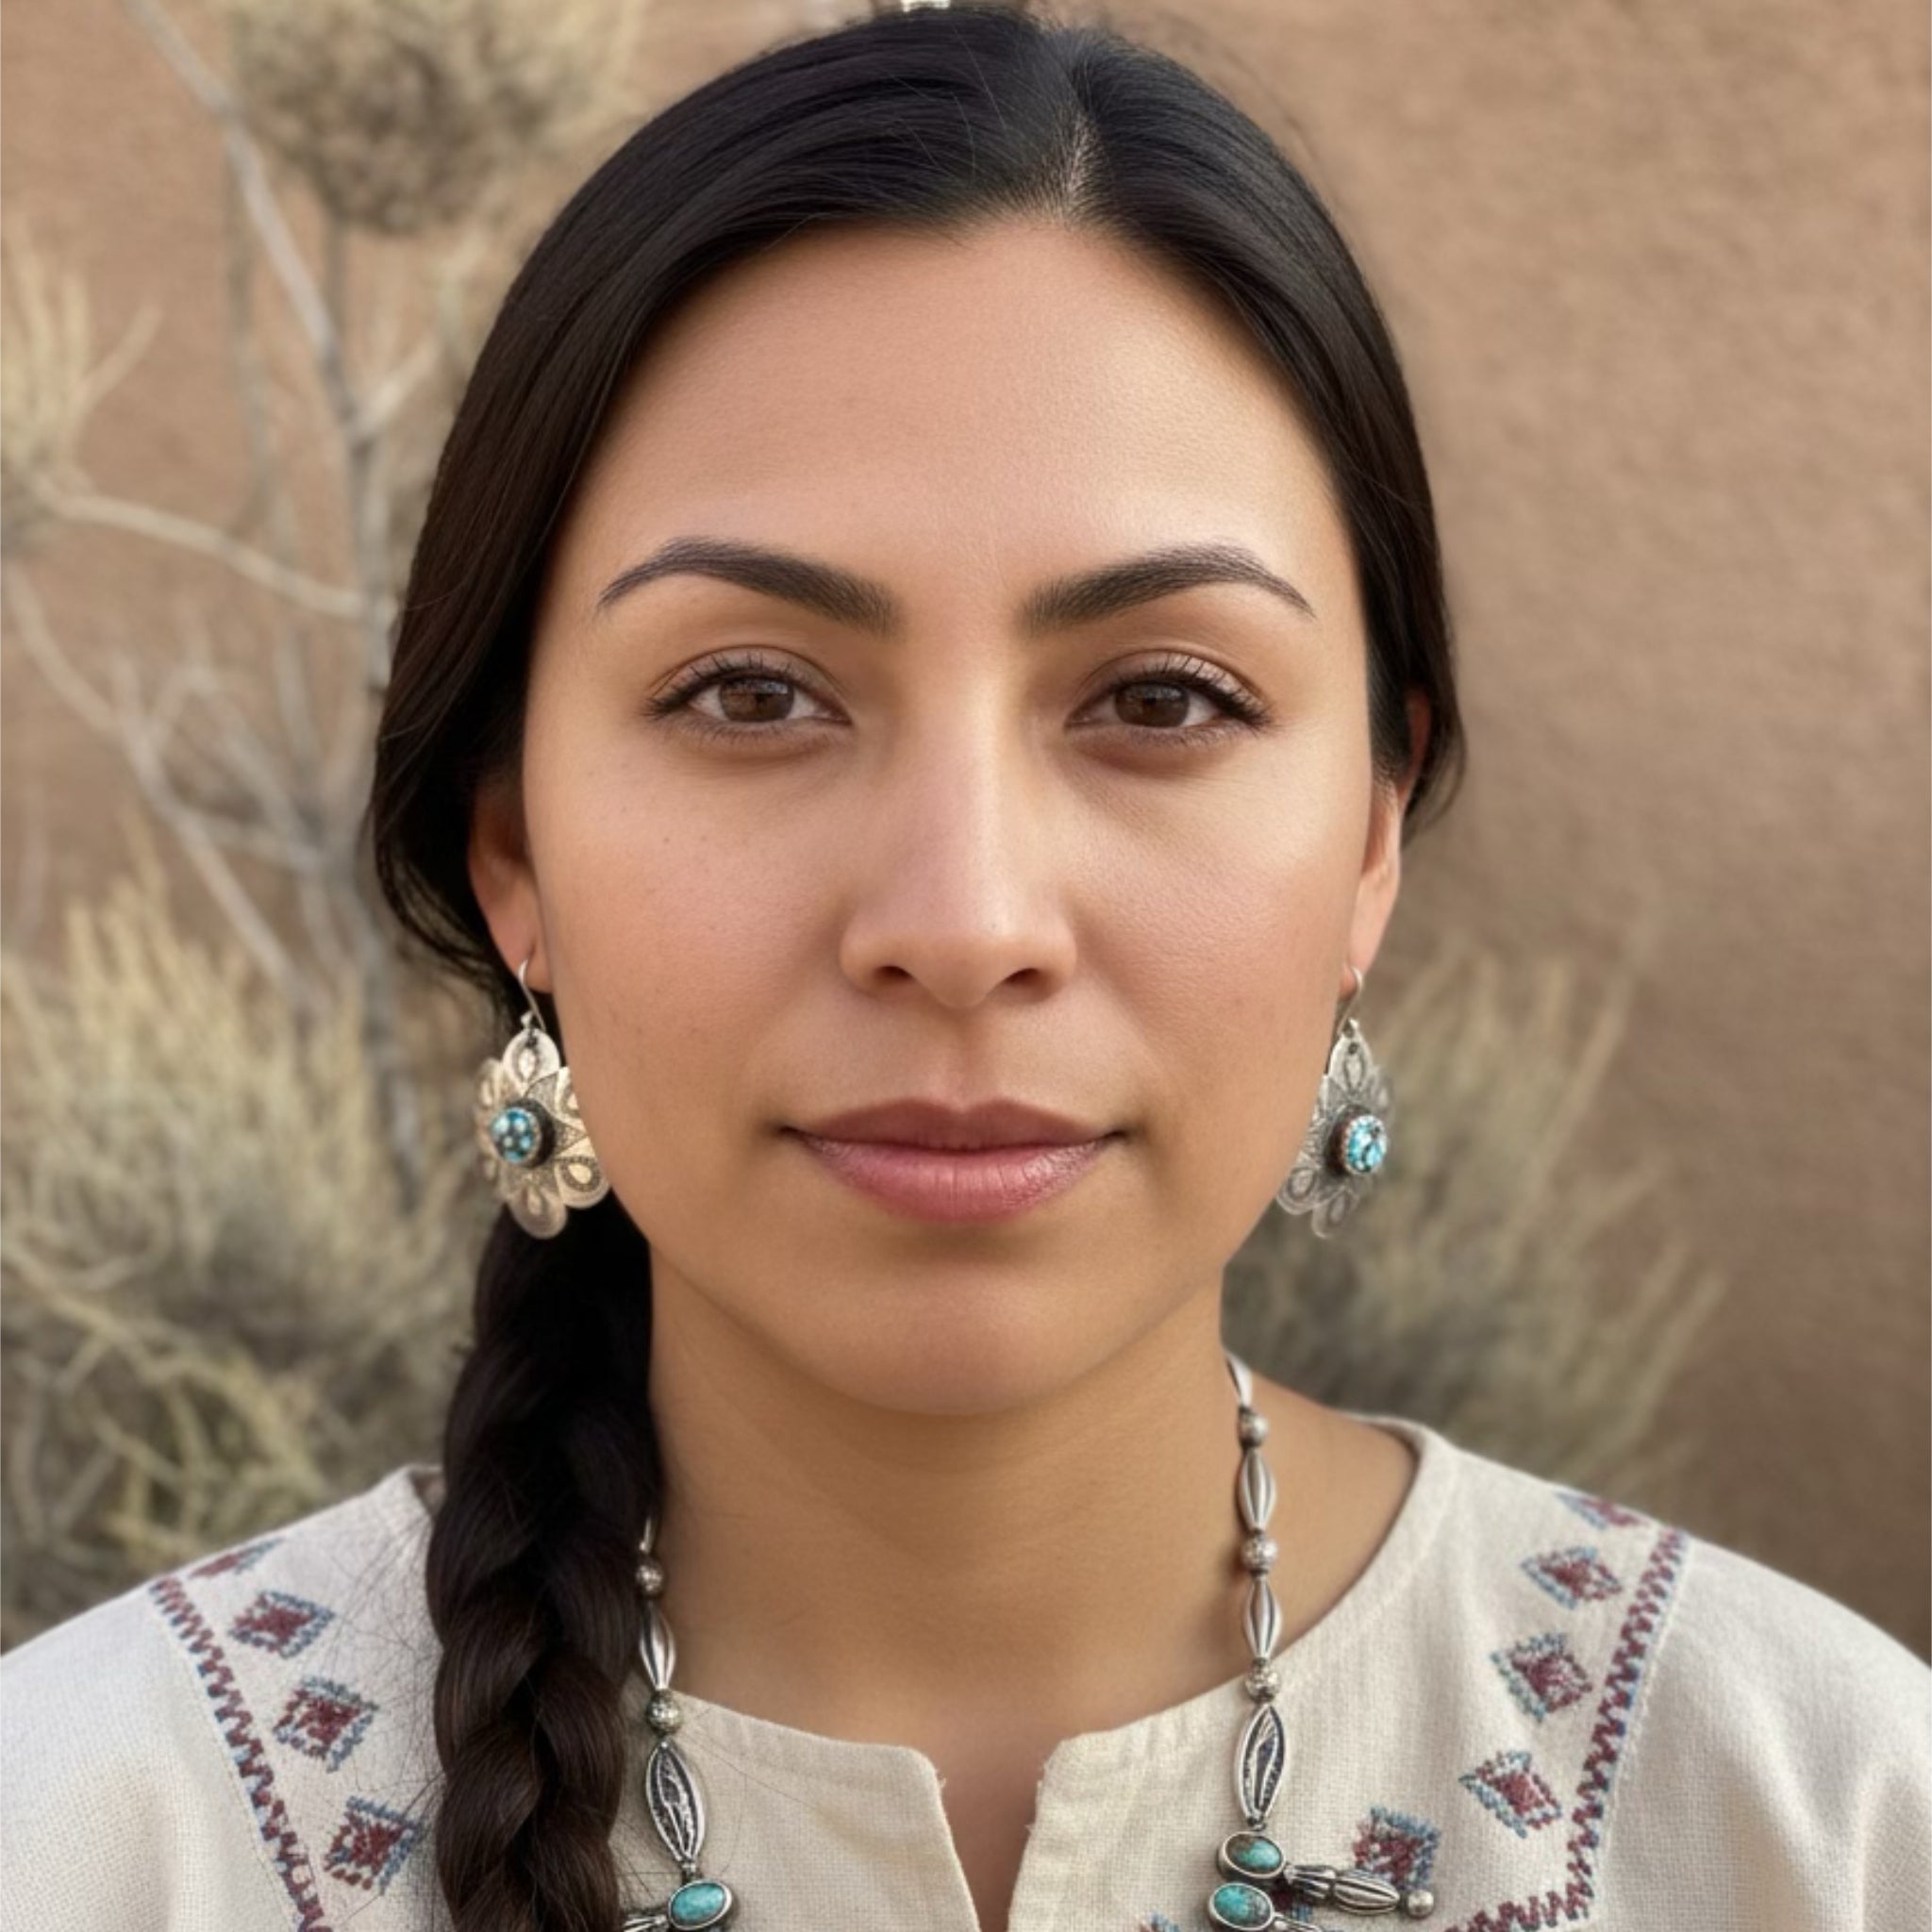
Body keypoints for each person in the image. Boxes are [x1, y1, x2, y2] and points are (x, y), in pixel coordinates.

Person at [4, 7, 1926, 1931]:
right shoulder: (97, 1834)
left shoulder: (1809, 1815)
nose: (965, 915)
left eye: (1161, 697)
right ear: (514, 847)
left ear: (1367, 833)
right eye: (749, 693)